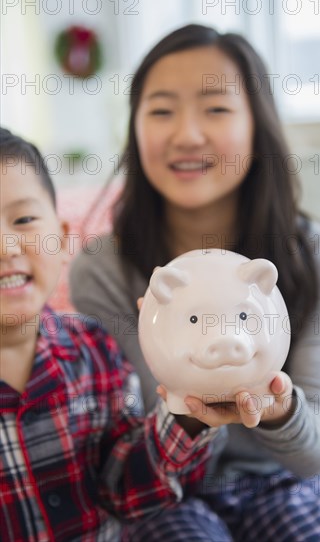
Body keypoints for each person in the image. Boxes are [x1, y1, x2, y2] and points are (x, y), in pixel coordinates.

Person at [70, 25, 320, 541]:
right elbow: (118, 458)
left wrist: (279, 408)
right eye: (161, 110)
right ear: (135, 129)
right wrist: (188, 416)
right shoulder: (103, 269)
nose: (186, 134)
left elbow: (314, 453)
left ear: (258, 123)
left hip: (281, 486)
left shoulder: (319, 256)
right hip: (162, 495)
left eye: (216, 108)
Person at [0, 127, 221, 542]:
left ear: (64, 239)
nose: (5, 245)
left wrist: (188, 416)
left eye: (24, 220)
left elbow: (125, 491)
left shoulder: (95, 351)